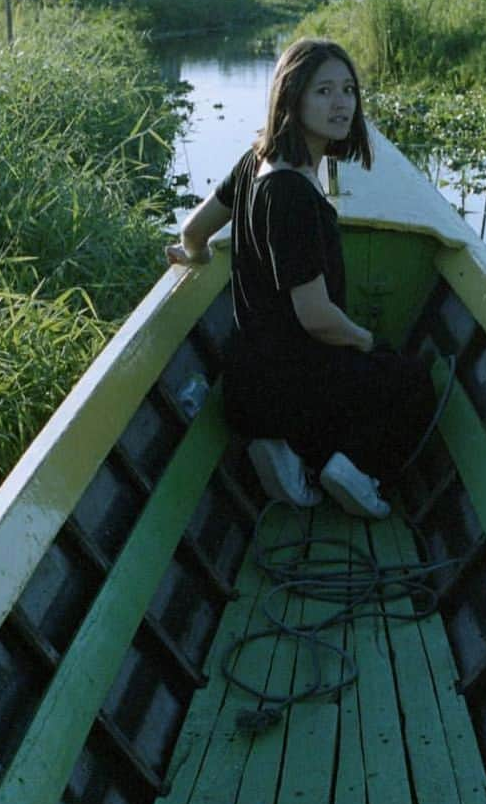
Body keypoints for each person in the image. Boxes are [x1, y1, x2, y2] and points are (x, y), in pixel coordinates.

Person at [166, 38, 435, 518]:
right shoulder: (292, 194)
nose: (341, 104)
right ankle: (354, 470)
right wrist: (367, 340)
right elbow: (316, 318)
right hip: (289, 388)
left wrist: (196, 255)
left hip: (248, 383)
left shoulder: (254, 162)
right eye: (323, 91)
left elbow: (192, 231)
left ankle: (286, 452)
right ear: (291, 99)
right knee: (411, 381)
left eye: (348, 90)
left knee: (361, 369)